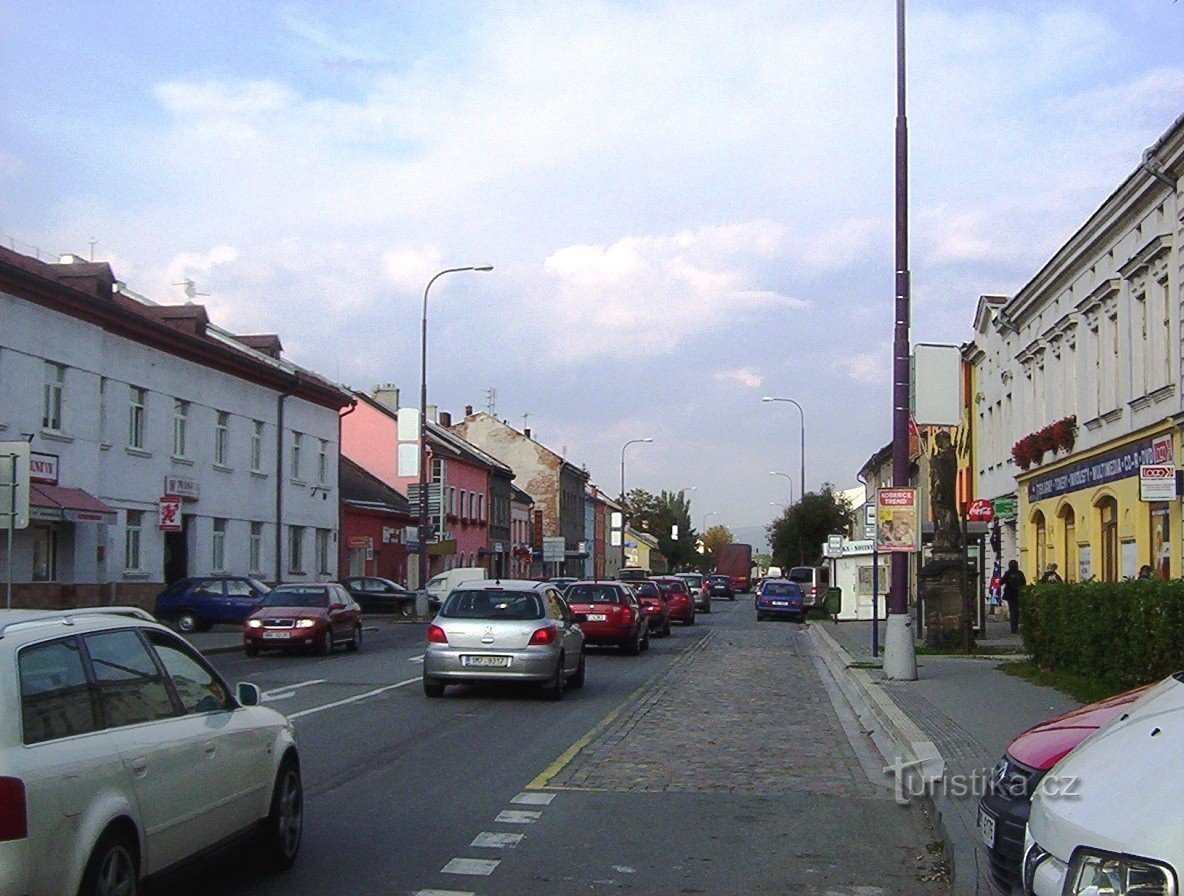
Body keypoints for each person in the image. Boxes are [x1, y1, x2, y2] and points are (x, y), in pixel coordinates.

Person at [1001, 559, 1026, 635]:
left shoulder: (1008, 573)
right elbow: (1024, 583)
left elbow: (1001, 582)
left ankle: (1013, 629)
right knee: (1017, 611)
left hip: (1010, 595)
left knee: (1012, 612)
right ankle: (1016, 627)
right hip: (1018, 594)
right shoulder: (1020, 573)